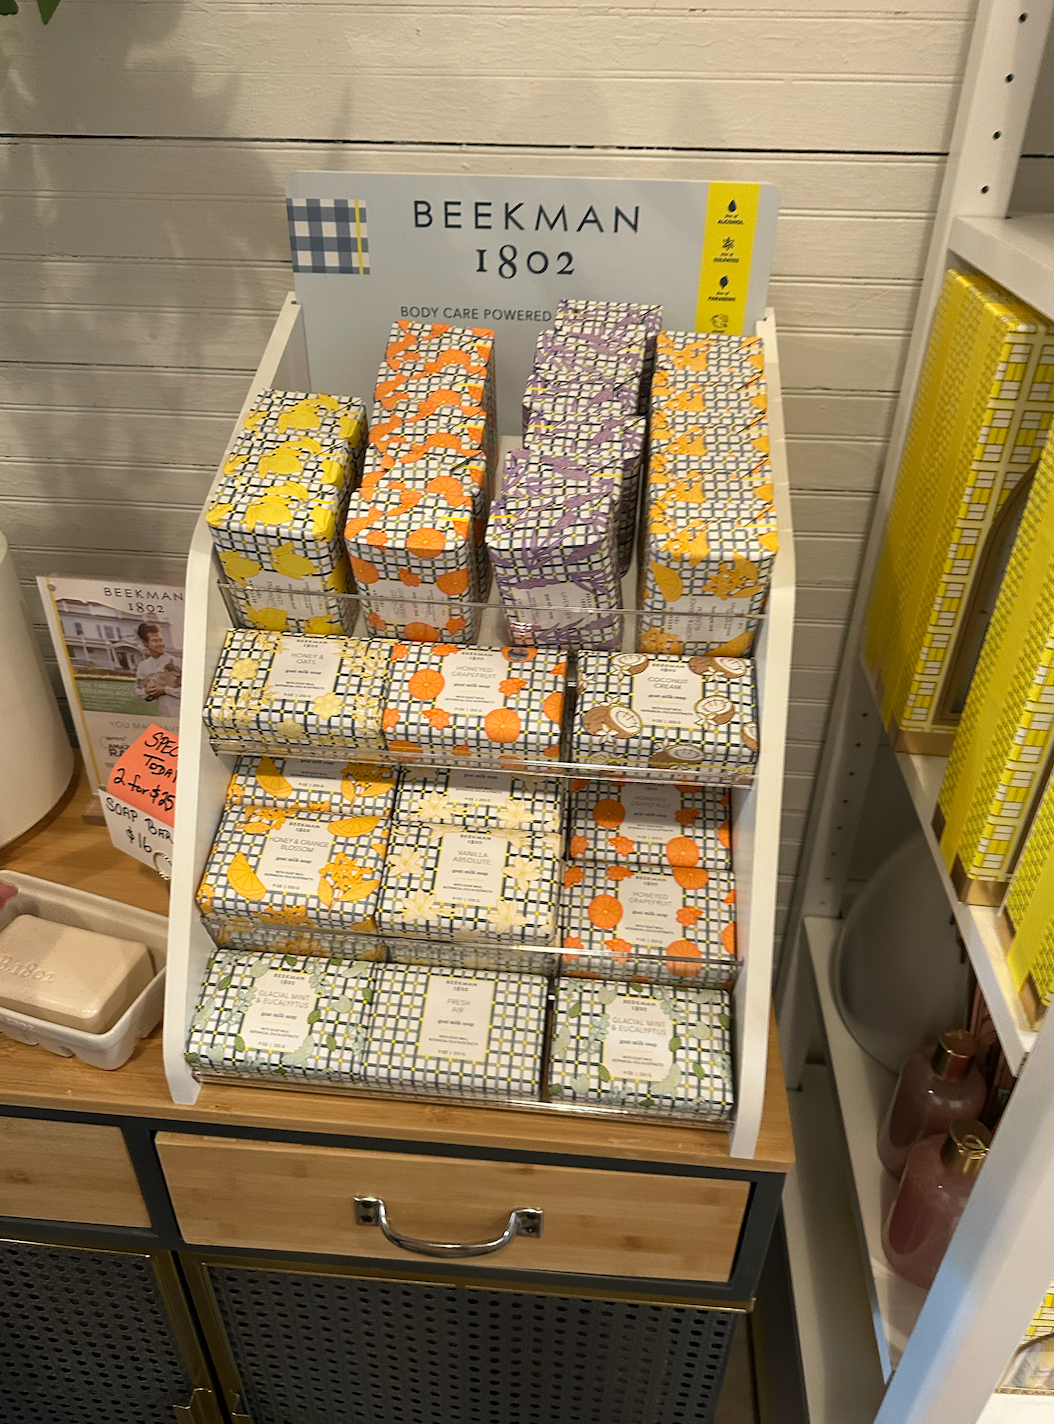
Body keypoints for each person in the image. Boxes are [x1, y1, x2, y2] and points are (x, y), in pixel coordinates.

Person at [135, 623, 182, 719]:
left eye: (161, 640)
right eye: (155, 641)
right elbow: (139, 690)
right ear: (145, 643)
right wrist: (147, 691)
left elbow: (190, 691)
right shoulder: (143, 666)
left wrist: (165, 690)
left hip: (181, 712)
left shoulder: (177, 662)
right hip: (163, 714)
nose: (160, 644)